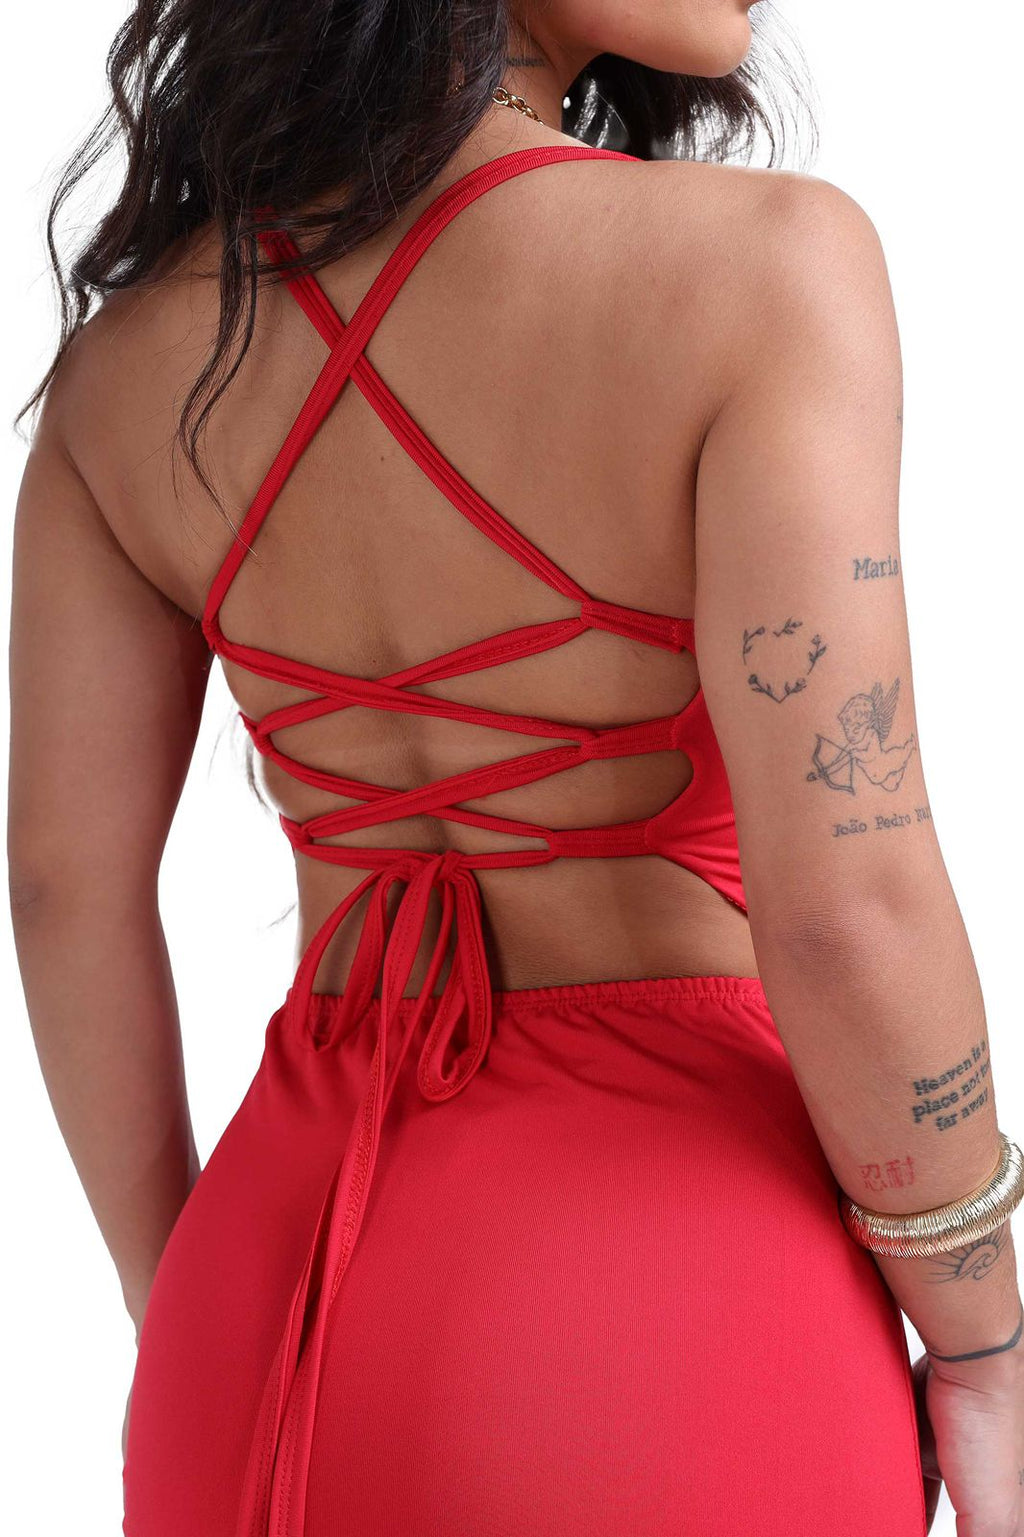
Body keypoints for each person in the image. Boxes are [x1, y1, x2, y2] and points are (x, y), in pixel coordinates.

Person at [9, 2, 1023, 1534]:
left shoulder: (124, 371)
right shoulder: (763, 266)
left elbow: (60, 890)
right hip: (676, 1317)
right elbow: (849, 908)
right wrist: (986, 1346)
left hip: (271, 1304)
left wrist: (202, 1315)